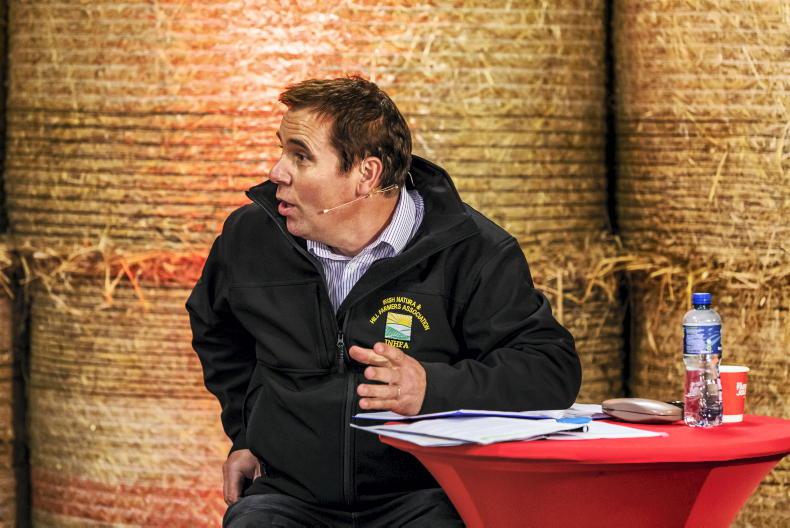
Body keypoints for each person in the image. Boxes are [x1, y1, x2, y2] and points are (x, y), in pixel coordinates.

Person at [186, 75, 581, 527]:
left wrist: (432, 389)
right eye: (282, 150)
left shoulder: (474, 252)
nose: (277, 171)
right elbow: (216, 332)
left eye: (301, 156)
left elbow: (550, 369)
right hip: (288, 497)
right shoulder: (250, 237)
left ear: (365, 175)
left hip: (426, 499)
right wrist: (246, 434)